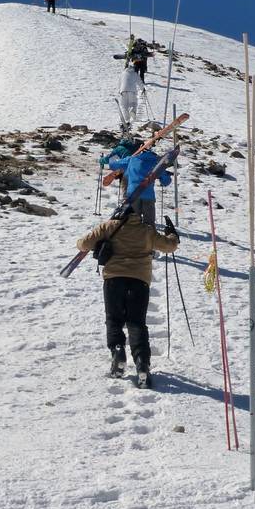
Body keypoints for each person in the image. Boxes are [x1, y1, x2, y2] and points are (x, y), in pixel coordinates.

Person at [76, 210, 180, 386]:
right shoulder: (146, 230)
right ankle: (142, 363)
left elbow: (83, 244)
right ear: (137, 215)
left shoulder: (108, 226)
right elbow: (169, 246)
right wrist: (172, 235)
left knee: (114, 319)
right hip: (140, 280)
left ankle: (118, 352)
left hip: (113, 279)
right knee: (137, 322)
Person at [108, 147, 172, 225]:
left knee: (132, 222)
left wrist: (112, 157)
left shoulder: (132, 159)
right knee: (149, 224)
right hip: (148, 196)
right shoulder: (156, 163)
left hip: (133, 195)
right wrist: (164, 178)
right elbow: (166, 181)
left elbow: (113, 165)